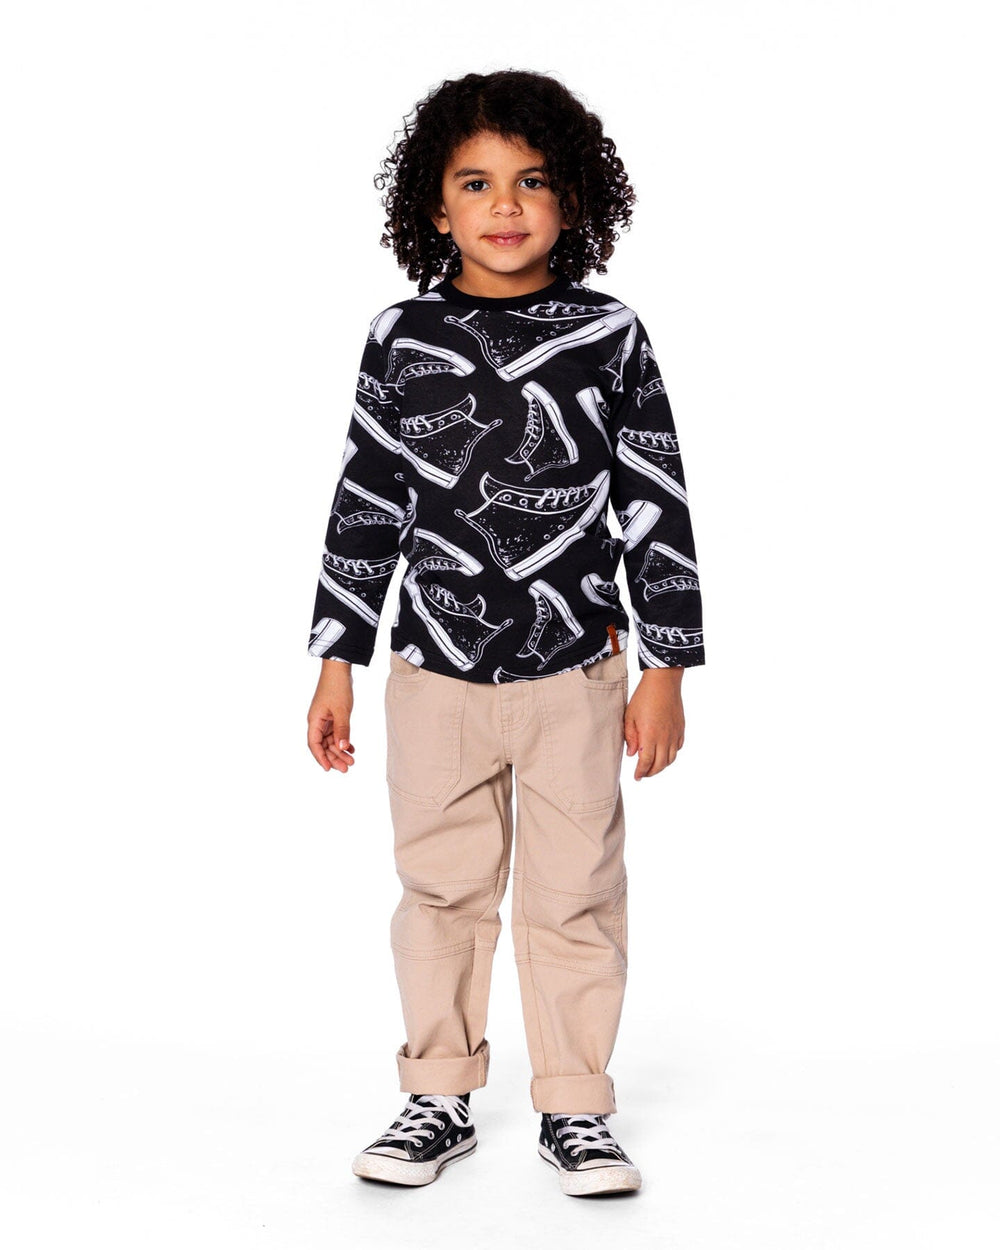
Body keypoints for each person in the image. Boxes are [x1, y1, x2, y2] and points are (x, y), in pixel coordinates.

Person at [306, 69, 705, 1197]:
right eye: (475, 183)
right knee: (440, 888)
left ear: (572, 197)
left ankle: (576, 1108)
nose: (506, 205)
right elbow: (366, 500)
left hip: (577, 669)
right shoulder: (402, 337)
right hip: (432, 669)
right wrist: (336, 658)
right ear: (434, 207)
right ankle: (437, 1092)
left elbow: (654, 499)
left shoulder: (609, 335)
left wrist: (666, 666)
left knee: (575, 891)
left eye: (532, 180)